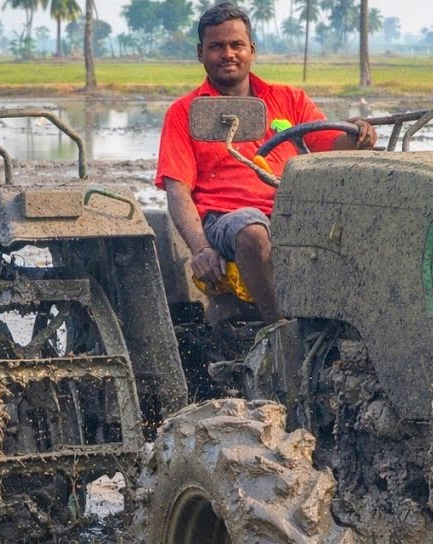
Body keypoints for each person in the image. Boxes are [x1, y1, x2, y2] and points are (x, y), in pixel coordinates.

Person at [155, 2, 376, 322]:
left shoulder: (290, 99)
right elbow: (177, 190)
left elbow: (331, 148)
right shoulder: (185, 113)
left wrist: (359, 136)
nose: (227, 53)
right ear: (200, 53)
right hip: (226, 220)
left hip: (289, 210)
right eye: (216, 46)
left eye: (236, 45)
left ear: (252, 50)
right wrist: (201, 249)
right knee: (252, 229)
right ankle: (281, 331)